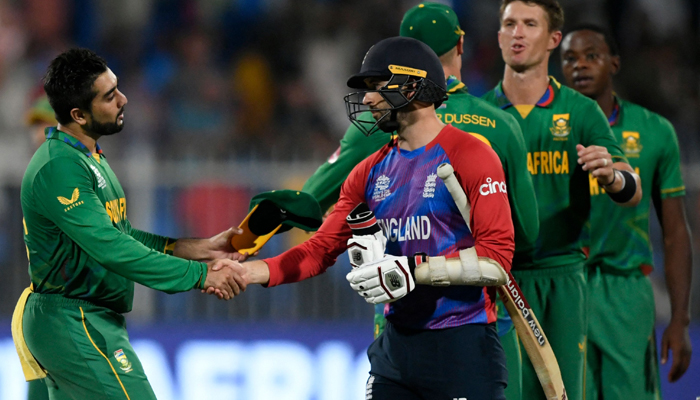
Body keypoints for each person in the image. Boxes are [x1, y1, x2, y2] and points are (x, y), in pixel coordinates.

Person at [237, 36, 515, 399]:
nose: (367, 99)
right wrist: (251, 271)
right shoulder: (367, 172)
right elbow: (320, 250)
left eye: (377, 86)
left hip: (463, 347)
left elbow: (497, 262)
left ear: (413, 85)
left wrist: (414, 270)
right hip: (394, 353)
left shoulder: (472, 155)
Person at [302, 7, 537, 396]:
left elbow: (309, 202)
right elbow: (527, 234)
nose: (370, 98)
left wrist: (245, 245)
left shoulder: (378, 130)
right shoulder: (499, 123)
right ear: (461, 44)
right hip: (479, 318)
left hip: (399, 320)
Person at [12, 48, 248, 400]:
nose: (123, 100)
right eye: (109, 96)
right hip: (73, 322)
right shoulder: (59, 167)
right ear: (78, 114)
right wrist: (202, 276)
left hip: (89, 319)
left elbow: (120, 235)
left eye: (117, 88)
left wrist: (199, 248)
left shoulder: (88, 157)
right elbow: (110, 246)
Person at [481, 1, 642, 399]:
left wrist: (612, 176)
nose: (518, 33)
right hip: (497, 280)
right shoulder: (475, 116)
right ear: (499, 35)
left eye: (530, 24)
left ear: (553, 39)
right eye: (510, 24)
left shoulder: (581, 112)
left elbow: (631, 187)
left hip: (563, 278)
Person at [560, 25, 693, 399]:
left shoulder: (654, 131)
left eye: (592, 56)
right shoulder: (544, 127)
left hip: (626, 292)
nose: (580, 66)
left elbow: (675, 231)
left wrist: (680, 319)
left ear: (614, 63)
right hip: (565, 285)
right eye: (570, 58)